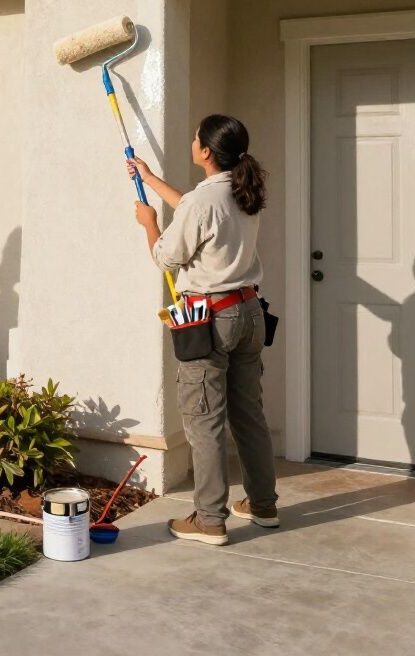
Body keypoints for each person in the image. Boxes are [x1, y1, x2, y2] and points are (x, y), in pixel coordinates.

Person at [129, 114, 278, 546]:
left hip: (213, 320)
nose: (192, 140)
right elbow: (196, 212)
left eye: (195, 137)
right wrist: (151, 178)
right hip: (250, 313)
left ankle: (209, 519)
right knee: (248, 415)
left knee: (204, 420)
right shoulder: (243, 190)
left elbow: (166, 258)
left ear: (206, 152)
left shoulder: (201, 202)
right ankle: (263, 505)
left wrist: (148, 223)